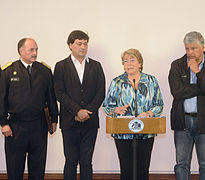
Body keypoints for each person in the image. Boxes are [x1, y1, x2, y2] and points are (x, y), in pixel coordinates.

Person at [168, 31, 205, 180]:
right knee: (181, 164)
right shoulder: (177, 65)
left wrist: (198, 73)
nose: (189, 52)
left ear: (203, 47)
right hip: (183, 121)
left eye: (193, 48)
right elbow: (177, 92)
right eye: (187, 48)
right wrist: (203, 87)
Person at [0, 38, 58, 180]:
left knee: (38, 168)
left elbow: (51, 97)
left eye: (36, 49)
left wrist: (54, 119)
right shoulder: (8, 71)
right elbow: (1, 99)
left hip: (38, 125)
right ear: (21, 51)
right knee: (14, 167)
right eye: (31, 50)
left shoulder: (45, 71)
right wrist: (3, 123)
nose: (35, 53)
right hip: (15, 126)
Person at [102, 48, 164, 180]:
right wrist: (115, 110)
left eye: (132, 60)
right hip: (123, 133)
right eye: (125, 61)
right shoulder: (117, 82)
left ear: (140, 63)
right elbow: (107, 105)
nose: (129, 64)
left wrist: (149, 113)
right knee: (126, 169)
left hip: (146, 132)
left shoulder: (151, 81)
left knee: (143, 169)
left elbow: (159, 104)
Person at [54, 30, 105, 180]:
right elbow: (59, 93)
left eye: (85, 43)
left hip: (90, 122)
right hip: (69, 122)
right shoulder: (61, 66)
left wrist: (87, 111)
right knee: (70, 161)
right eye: (79, 43)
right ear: (70, 45)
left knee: (86, 162)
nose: (83, 47)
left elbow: (101, 92)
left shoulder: (96, 66)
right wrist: (77, 111)